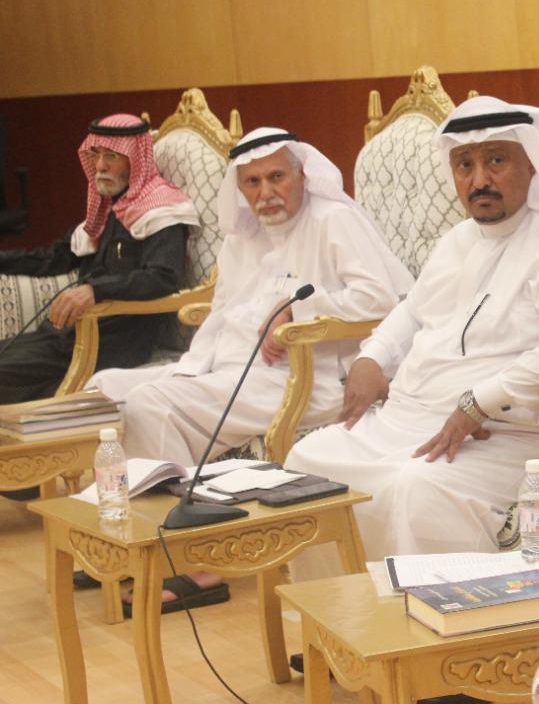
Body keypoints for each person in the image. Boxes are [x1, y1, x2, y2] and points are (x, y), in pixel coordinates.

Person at [284, 96, 539, 704]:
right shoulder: (457, 241)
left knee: (416, 488)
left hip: (530, 433)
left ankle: (460, 661)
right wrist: (372, 358)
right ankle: (349, 629)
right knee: (309, 461)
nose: (479, 179)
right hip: (419, 418)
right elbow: (412, 310)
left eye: (496, 161)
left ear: (530, 164)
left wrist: (483, 399)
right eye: (465, 165)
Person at [91, 128, 412, 612]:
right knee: (103, 390)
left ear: (302, 175)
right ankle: (132, 540)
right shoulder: (243, 236)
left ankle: (193, 561)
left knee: (149, 404)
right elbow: (221, 315)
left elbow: (380, 300)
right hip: (225, 369)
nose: (266, 193)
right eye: (253, 182)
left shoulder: (332, 220)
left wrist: (298, 310)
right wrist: (189, 370)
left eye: (276, 177)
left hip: (303, 377)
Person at [0, 114, 197, 406]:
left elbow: (162, 277)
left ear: (135, 159)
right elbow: (54, 258)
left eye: (111, 156)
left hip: (115, 340)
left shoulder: (161, 211)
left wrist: (96, 290)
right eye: (96, 155)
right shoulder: (107, 209)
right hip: (68, 335)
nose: (100, 166)